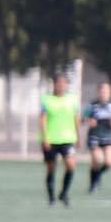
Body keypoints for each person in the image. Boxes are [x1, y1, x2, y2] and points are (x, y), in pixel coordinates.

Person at [40, 74, 79, 206]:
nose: (61, 85)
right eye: (59, 83)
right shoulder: (47, 100)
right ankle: (51, 198)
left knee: (71, 165)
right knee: (51, 168)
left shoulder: (73, 100)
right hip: (51, 139)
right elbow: (43, 119)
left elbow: (76, 118)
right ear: (55, 85)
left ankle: (64, 193)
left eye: (64, 83)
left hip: (68, 139)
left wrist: (78, 135)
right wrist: (45, 137)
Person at [84, 82, 111, 193]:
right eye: (102, 91)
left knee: (109, 162)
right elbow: (83, 119)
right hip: (95, 137)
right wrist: (89, 121)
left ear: (109, 93)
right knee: (98, 160)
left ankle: (97, 176)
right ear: (98, 92)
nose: (104, 93)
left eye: (106, 91)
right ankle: (93, 184)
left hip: (108, 138)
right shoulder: (92, 106)